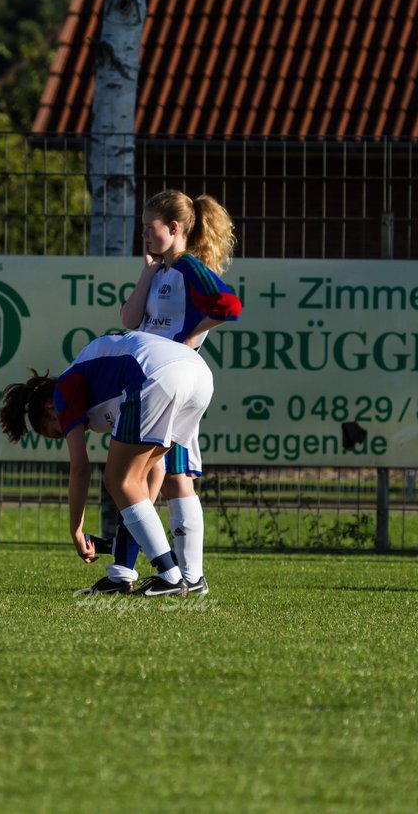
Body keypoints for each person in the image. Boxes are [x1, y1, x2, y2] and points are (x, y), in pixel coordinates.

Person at [0, 331, 214, 597]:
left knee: (118, 480)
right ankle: (183, 578)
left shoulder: (64, 390)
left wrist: (76, 530)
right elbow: (153, 473)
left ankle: (170, 576)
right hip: (198, 374)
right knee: (133, 483)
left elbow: (80, 468)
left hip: (156, 374)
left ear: (49, 408)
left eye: (56, 431)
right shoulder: (95, 380)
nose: (64, 433)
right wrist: (138, 523)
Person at [118, 189, 241, 595]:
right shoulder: (163, 271)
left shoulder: (189, 266)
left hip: (174, 379)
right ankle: (174, 575)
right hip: (155, 378)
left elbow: (229, 305)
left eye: (149, 228)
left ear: (173, 228)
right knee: (166, 475)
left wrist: (190, 339)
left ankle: (189, 576)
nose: (144, 236)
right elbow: (132, 320)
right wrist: (147, 272)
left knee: (177, 476)